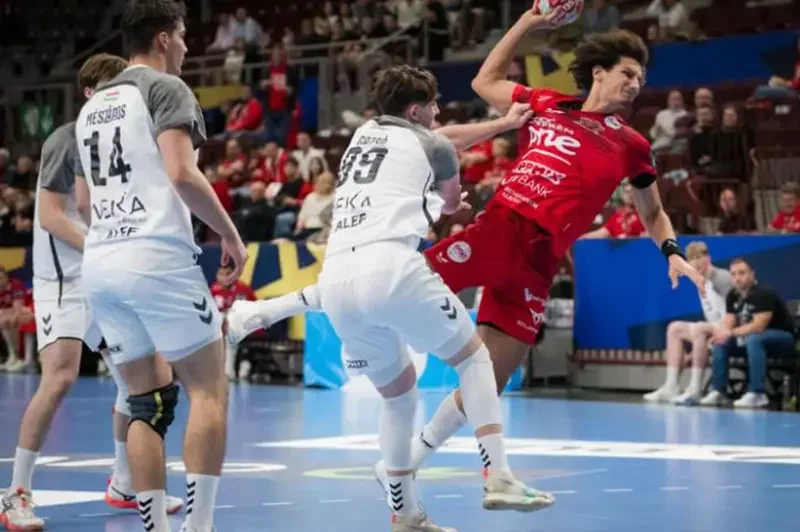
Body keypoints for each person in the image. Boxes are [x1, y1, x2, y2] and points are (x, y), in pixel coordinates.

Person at [228, 9, 704, 490]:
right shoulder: (547, 103)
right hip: (501, 229)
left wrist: (671, 251)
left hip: (540, 261)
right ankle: (262, 312)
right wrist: (528, 22)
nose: (635, 84)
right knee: (389, 278)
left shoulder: (632, 144)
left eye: (641, 78)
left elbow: (654, 212)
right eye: (628, 73)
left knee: (488, 382)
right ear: (599, 72)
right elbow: (484, 82)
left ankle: (405, 463)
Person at [315, 64, 555, 532]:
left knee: (399, 399)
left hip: (337, 278)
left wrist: (503, 125)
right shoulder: (434, 146)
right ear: (415, 111)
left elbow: (440, 138)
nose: (438, 112)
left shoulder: (364, 134)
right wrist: (452, 205)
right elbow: (447, 194)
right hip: (390, 268)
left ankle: (405, 515)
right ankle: (498, 474)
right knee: (475, 360)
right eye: (432, 105)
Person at [74, 2, 247, 531]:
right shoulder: (166, 88)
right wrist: (229, 234)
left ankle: (155, 525)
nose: (189, 47)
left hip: (100, 262)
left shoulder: (92, 105)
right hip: (155, 257)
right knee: (208, 389)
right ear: (165, 39)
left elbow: (83, 203)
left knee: (145, 402)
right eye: (185, 36)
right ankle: (200, 527)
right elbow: (181, 172)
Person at [0, 53, 182, 532]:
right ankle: (15, 492)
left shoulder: (127, 139)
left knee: (141, 380)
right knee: (60, 377)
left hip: (106, 273)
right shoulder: (66, 139)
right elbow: (51, 216)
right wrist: (106, 247)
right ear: (88, 94)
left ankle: (125, 482)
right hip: (65, 278)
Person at [643, 241, 732, 405]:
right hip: (713, 328)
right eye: (693, 264)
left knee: (699, 328)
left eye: (700, 261)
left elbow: (736, 309)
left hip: (730, 329)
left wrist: (723, 332)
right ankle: (671, 386)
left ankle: (695, 389)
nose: (697, 267)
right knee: (674, 328)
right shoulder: (700, 281)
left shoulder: (721, 278)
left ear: (708, 258)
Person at [703, 258, 796, 409]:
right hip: (754, 341)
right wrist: (722, 334)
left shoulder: (764, 293)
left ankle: (757, 393)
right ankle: (719, 391)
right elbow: (729, 320)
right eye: (733, 274)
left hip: (782, 340)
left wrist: (730, 333)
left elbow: (758, 326)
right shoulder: (733, 295)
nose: (737, 278)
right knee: (721, 342)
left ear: (752, 274)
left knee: (754, 339)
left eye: (742, 273)